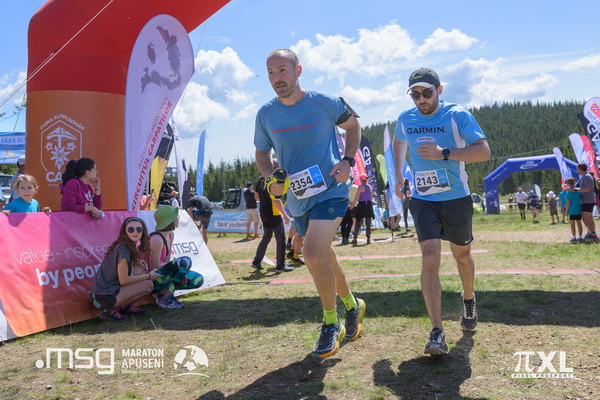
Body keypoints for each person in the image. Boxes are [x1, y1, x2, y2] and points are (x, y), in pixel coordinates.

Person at [254, 49, 366, 358]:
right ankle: (353, 305)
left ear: (298, 70)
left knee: (312, 254)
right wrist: (271, 177)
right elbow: (262, 153)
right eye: (271, 73)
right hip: (298, 199)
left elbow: (353, 125)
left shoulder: (325, 102)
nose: (277, 78)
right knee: (325, 257)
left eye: (282, 70)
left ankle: (331, 324)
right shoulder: (266, 114)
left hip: (330, 190)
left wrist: (347, 161)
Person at [393, 67, 491, 356]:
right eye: (415, 95)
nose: (421, 99)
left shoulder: (456, 115)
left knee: (462, 256)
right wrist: (398, 174)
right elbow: (399, 141)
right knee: (430, 257)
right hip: (422, 198)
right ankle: (436, 330)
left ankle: (469, 298)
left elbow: (483, 151)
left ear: (439, 90)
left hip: (456, 198)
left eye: (427, 93)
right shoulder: (406, 118)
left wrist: (444, 153)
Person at [90, 217, 161, 321]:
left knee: (140, 268)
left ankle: (124, 307)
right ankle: (110, 311)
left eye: (139, 229)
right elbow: (124, 280)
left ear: (143, 231)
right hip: (103, 297)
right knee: (148, 284)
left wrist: (139, 264)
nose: (135, 232)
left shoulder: (126, 246)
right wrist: (149, 276)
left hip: (108, 292)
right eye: (131, 229)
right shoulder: (124, 249)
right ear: (125, 231)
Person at [147, 205, 205, 308]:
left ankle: (163, 294)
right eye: (176, 216)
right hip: (152, 280)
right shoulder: (156, 239)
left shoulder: (170, 235)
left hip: (163, 276)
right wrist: (177, 268)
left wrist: (179, 272)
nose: (178, 218)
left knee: (198, 279)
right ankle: (166, 297)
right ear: (170, 220)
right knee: (184, 261)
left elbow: (166, 261)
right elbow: (154, 267)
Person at [251, 175, 294, 272]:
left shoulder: (261, 179)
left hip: (263, 211)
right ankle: (280, 265)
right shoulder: (274, 179)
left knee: (266, 237)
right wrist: (285, 215)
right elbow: (276, 200)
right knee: (281, 239)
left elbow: (256, 196)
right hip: (274, 213)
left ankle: (256, 261)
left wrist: (265, 200)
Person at [574, 163, 598, 242]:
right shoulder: (585, 176)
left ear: (580, 169)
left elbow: (587, 189)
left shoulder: (587, 177)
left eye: (577, 168)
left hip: (588, 201)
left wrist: (576, 190)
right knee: (589, 218)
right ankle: (591, 233)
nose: (577, 170)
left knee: (586, 218)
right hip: (588, 200)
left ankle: (594, 235)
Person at [352, 174, 375, 245]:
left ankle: (355, 238)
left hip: (362, 205)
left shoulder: (360, 187)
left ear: (362, 179)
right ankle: (368, 239)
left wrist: (353, 204)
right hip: (368, 204)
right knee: (368, 223)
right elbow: (371, 197)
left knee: (358, 222)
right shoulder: (370, 186)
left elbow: (357, 197)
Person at [340, 180, 359, 245]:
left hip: (344, 205)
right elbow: (357, 197)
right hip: (354, 206)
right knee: (350, 222)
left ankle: (344, 238)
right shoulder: (356, 187)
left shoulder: (343, 187)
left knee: (344, 222)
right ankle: (346, 238)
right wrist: (353, 204)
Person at [565, 177, 583, 243]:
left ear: (568, 183)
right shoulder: (578, 191)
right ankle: (580, 237)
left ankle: (574, 237)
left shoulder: (569, 191)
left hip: (571, 211)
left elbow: (568, 202)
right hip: (578, 210)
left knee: (572, 224)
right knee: (579, 224)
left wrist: (566, 211)